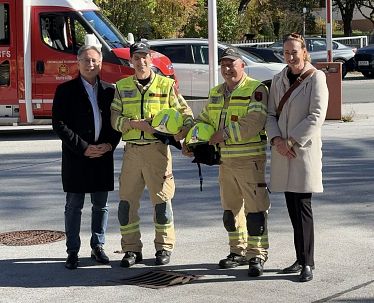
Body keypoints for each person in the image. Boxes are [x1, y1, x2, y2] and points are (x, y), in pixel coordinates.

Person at [183, 48, 270, 277]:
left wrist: (224, 135)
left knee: (255, 211)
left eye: (232, 64)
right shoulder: (215, 93)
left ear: (243, 66)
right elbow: (204, 120)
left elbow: (254, 122)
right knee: (230, 211)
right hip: (225, 162)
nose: (227, 69)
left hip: (249, 159)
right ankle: (237, 251)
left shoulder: (256, 89)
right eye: (224, 65)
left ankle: (257, 254)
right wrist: (190, 140)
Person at [110, 42, 193, 268]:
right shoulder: (122, 86)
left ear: (151, 59)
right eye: (137, 58)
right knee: (126, 204)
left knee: (162, 204)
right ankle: (130, 249)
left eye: (145, 57)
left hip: (157, 152)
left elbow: (186, 115)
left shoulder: (166, 85)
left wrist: (180, 133)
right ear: (131, 61)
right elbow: (114, 119)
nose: (141, 61)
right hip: (132, 153)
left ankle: (163, 247)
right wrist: (131, 123)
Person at [266, 33, 328, 282]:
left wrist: (290, 141)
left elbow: (316, 115)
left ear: (304, 51)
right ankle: (299, 258)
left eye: (295, 52)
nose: (290, 56)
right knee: (292, 207)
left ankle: (308, 263)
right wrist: (277, 141)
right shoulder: (278, 78)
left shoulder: (316, 78)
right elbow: (270, 115)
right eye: (286, 52)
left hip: (302, 151)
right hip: (283, 151)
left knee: (303, 207)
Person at [52, 45, 121, 270]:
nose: (90, 64)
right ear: (78, 63)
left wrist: (109, 144)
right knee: (74, 206)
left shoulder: (111, 91)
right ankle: (72, 251)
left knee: (101, 206)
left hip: (102, 155)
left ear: (100, 62)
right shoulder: (65, 91)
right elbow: (59, 125)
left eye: (94, 60)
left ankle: (97, 246)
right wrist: (83, 147)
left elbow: (117, 122)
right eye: (85, 60)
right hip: (77, 157)